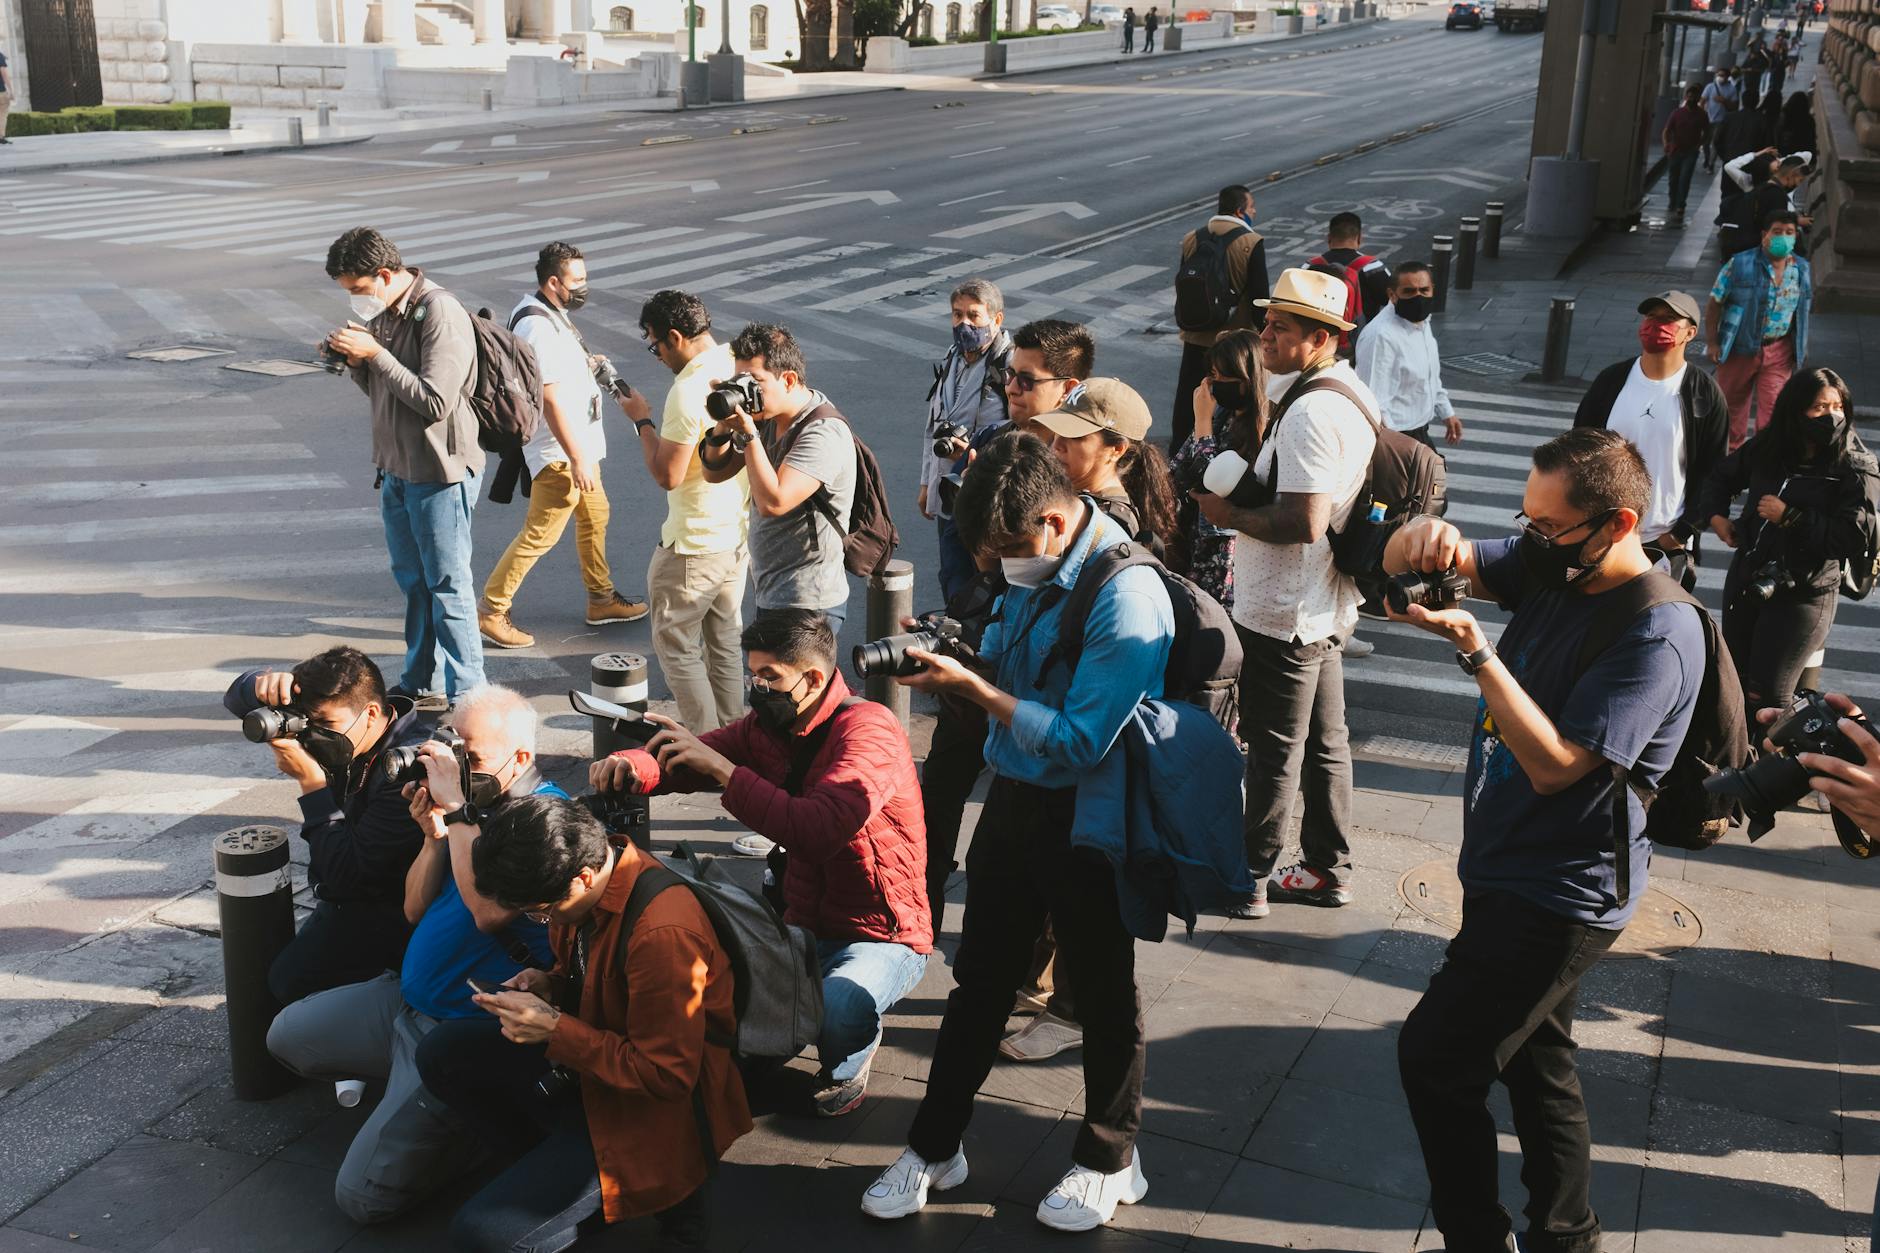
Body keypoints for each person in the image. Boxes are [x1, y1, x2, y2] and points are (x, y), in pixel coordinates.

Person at [1386, 428, 1705, 1253]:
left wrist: (1476, 652)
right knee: (1538, 1064)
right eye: (1526, 521)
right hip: (1506, 864)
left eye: (1548, 526)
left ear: (1617, 523)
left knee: (1435, 1058)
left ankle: (1476, 1239)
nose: (1529, 540)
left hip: (1562, 892)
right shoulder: (1559, 555)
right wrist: (1417, 538)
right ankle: (1568, 1238)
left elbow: (1559, 765)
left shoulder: (1657, 633)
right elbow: (1436, 561)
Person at [861, 431, 1172, 1232]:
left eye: (1008, 550)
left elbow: (1077, 738)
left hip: (1091, 812)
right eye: (987, 553)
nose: (1001, 568)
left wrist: (981, 691)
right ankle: (934, 1146)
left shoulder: (1126, 596)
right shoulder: (1026, 568)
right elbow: (1002, 653)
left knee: (1103, 994)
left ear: (1054, 523)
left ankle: (1110, 1157)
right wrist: (955, 659)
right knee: (981, 983)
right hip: (1015, 803)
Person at [591, 609, 932, 1116]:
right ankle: (794, 1015)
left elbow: (817, 831)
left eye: (770, 676)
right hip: (800, 921)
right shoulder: (769, 726)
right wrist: (634, 765)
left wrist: (728, 775)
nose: (757, 686)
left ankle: (852, 1055)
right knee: (734, 1024)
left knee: (838, 1007)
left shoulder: (870, 733)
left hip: (883, 933)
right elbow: (694, 756)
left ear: (813, 677)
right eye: (753, 673)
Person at [264, 685, 561, 1224]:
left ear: (520, 759)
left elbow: (487, 914)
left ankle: (471, 1119)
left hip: (459, 1033)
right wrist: (432, 837)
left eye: (470, 758)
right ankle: (416, 1109)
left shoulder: (544, 821)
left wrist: (456, 807)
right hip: (405, 1004)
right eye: (451, 750)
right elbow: (413, 910)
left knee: (363, 1202)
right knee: (286, 1037)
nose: (455, 767)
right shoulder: (473, 809)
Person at [415, 794, 752, 1252]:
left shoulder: (663, 935)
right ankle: (557, 1175)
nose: (542, 920)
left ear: (584, 877)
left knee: (480, 1237)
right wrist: (550, 983)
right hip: (597, 1062)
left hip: (659, 1112)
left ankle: (648, 1192)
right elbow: (584, 966)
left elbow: (668, 1077)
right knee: (443, 1053)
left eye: (541, 911)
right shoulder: (591, 874)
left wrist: (556, 1031)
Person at [993, 377, 1178, 1066]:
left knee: (1098, 961)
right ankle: (1041, 988)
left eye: (1072, 438)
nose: (1057, 447)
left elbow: (1084, 733)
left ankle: (1069, 1012)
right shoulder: (1066, 507)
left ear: (1115, 449)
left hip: (1085, 784)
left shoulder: (1110, 537)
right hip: (1032, 773)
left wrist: (988, 696)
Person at [1192, 268, 1377, 917]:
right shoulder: (1343, 389)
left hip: (1286, 610)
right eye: (1269, 321)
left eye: (1282, 328)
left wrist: (1229, 516)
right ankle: (1329, 867)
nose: (1265, 333)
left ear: (1321, 337)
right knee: (1327, 743)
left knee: (1273, 747)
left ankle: (1250, 877)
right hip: (1321, 605)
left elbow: (1305, 522)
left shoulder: (1312, 415)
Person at [922, 318, 1097, 937]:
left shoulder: (1077, 474)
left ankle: (1044, 968)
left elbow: (1082, 735)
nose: (1012, 388)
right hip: (984, 650)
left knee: (1042, 864)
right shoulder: (999, 440)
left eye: (1025, 378)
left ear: (1068, 386)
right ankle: (916, 925)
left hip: (1037, 701)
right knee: (936, 799)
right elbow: (975, 548)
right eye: (1007, 376)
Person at [324, 227, 485, 708]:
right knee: (414, 584)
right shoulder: (385, 314)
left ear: (386, 275)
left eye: (357, 289)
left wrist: (376, 354)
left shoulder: (439, 311)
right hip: (395, 470)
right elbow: (384, 394)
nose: (355, 299)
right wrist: (357, 361)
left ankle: (471, 698)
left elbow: (435, 401)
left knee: (448, 588)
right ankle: (421, 680)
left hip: (439, 473)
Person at [223, 647, 429, 1005]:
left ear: (371, 713)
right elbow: (234, 699)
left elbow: (348, 875)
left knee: (286, 984)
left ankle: (388, 1003)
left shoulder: (407, 769)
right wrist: (261, 685)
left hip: (388, 908)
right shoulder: (351, 732)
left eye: (327, 726)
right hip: (341, 892)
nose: (313, 738)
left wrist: (312, 784)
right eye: (307, 723)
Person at [479, 241, 649, 651]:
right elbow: (551, 397)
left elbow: (553, 373)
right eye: (578, 281)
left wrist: (585, 365)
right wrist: (576, 458)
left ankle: (601, 598)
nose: (584, 287)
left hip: (577, 448)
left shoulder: (549, 313)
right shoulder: (537, 323)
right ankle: (491, 609)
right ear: (554, 282)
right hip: (560, 452)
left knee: (596, 515)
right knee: (541, 532)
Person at [1700, 367, 1880, 709]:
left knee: (1768, 697)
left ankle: (1772, 760)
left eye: (1837, 407)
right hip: (1749, 577)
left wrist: (1792, 518)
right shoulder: (1770, 447)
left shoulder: (1856, 465)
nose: (1831, 417)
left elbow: (1853, 537)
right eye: (1819, 408)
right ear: (1795, 411)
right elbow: (1720, 477)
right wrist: (1717, 516)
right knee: (1732, 683)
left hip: (1804, 593)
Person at [638, 289, 749, 733]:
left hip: (692, 543)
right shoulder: (733, 363)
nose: (658, 355)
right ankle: (734, 736)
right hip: (734, 535)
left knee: (677, 645)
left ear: (676, 337)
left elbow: (668, 473)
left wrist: (640, 420)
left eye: (655, 344)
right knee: (723, 643)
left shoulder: (687, 391)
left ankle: (705, 745)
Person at [701, 323, 858, 631]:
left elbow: (773, 502)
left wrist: (747, 433)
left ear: (788, 380)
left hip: (808, 599)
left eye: (754, 381)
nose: (746, 391)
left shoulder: (822, 432)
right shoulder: (767, 418)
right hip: (773, 590)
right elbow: (713, 472)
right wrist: (723, 425)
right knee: (771, 680)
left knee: (796, 680)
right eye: (739, 380)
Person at [1572, 291, 1728, 565]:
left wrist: (1679, 534)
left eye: (1668, 319)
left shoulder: (1703, 393)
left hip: (1664, 542)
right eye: (1651, 317)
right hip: (1604, 534)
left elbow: (1713, 471)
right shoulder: (1611, 381)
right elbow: (1578, 450)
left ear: (1690, 333)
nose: (1656, 325)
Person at [923, 279, 1013, 599]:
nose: (964, 323)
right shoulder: (953, 357)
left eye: (974, 316)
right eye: (957, 314)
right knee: (952, 571)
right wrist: (927, 485)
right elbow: (934, 421)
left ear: (996, 319)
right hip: (949, 485)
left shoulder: (1008, 366)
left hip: (984, 487)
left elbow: (1018, 430)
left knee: (981, 579)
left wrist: (976, 447)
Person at [1170, 328, 1268, 611]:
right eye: (1213, 375)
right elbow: (1179, 469)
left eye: (1225, 377)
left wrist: (1202, 423)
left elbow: (1215, 479)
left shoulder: (1263, 429)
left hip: (1228, 557)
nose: (1215, 384)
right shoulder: (1222, 415)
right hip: (1196, 542)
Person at [1171, 185, 1270, 452]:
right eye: (1251, 208)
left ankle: (1180, 454)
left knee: (1189, 401)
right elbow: (1260, 299)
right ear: (1240, 211)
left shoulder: (1192, 238)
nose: (1254, 212)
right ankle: (1219, 453)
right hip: (1231, 345)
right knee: (1229, 407)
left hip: (1194, 335)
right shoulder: (1251, 243)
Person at [1707, 209, 1812, 450]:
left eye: (1789, 232)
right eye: (1777, 232)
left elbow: (1802, 314)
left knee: (1774, 411)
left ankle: (1762, 465)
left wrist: (1800, 348)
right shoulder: (1740, 264)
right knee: (1731, 409)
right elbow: (1715, 304)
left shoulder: (1802, 270)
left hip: (1780, 351)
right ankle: (1730, 462)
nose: (1783, 237)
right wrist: (1712, 342)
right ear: (1765, 234)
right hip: (1739, 348)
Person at [1037, 378, 1178, 551]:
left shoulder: (1108, 523)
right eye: (1056, 431)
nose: (1056, 446)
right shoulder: (1070, 491)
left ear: (1117, 449)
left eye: (1075, 436)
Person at [1354, 261, 1462, 453]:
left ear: (1432, 290)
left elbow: (1430, 377)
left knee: (1436, 482)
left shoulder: (1421, 322)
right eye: (1409, 291)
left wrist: (1446, 412)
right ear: (1392, 295)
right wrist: (1394, 450)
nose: (1417, 297)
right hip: (1398, 441)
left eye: (1423, 290)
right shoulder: (1381, 336)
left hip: (1419, 435)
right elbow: (1372, 403)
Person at [1309, 212, 1392, 357]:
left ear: (1329, 238)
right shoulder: (1372, 267)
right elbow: (1392, 302)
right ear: (1359, 238)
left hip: (1317, 345)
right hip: (1360, 343)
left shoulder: (1309, 267)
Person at [1663, 84, 1710, 221]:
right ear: (1685, 97)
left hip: (1691, 152)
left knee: (1685, 178)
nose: (1691, 99)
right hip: (1675, 150)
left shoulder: (1702, 115)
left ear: (1698, 98)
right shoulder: (1677, 113)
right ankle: (1673, 200)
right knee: (1673, 178)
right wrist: (1666, 144)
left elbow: (1707, 132)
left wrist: (1699, 145)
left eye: (1694, 97)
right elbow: (1667, 130)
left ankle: (1680, 204)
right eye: (1689, 96)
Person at [1701, 66, 1740, 171]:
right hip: (1708, 118)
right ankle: (1707, 158)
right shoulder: (1710, 87)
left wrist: (1724, 101)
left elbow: (1735, 107)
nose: (1720, 77)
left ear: (1728, 77)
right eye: (1719, 75)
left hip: (1721, 121)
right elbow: (1703, 101)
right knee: (1705, 142)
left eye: (1722, 76)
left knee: (1715, 142)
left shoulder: (1731, 89)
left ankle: (1711, 164)